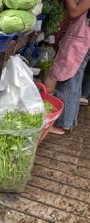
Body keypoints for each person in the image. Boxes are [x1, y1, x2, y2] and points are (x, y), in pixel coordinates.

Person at [45, 0, 90, 135]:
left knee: (67, 80)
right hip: (82, 37)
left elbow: (75, 11)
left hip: (82, 39)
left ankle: (63, 124)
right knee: (74, 81)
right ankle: (68, 122)